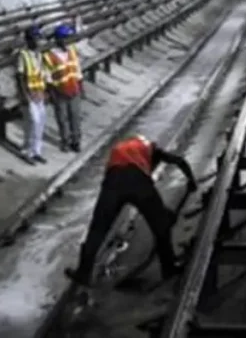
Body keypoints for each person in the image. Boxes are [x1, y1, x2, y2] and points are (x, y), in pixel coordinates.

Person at [65, 135, 198, 286]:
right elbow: (179, 160)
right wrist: (191, 180)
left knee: (97, 230)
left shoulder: (121, 147)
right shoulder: (151, 148)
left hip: (113, 180)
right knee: (161, 226)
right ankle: (168, 268)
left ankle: (83, 273)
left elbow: (116, 180)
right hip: (138, 181)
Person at [43, 24, 84, 152]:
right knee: (62, 118)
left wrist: (81, 87)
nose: (69, 41)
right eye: (66, 38)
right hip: (59, 91)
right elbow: (47, 77)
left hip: (74, 89)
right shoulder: (49, 56)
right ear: (59, 40)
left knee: (75, 116)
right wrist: (51, 93)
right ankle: (65, 141)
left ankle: (76, 141)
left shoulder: (72, 51)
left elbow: (77, 70)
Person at [16, 25, 48, 164]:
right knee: (32, 122)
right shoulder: (23, 55)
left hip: (39, 93)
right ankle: (26, 150)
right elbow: (20, 76)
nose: (38, 41)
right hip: (29, 93)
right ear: (29, 40)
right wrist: (24, 95)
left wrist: (44, 91)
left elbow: (41, 75)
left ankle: (36, 151)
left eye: (38, 38)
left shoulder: (39, 56)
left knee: (40, 122)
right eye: (35, 38)